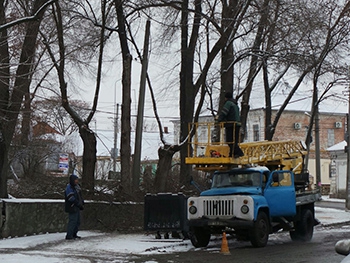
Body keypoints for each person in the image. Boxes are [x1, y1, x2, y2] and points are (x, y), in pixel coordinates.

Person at [217, 91, 244, 158]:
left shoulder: (228, 103)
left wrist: (219, 120)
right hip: (237, 124)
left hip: (231, 125)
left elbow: (224, 113)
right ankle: (233, 153)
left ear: (226, 98)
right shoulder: (235, 105)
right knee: (234, 141)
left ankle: (239, 152)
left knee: (230, 141)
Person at [64, 174, 84, 240]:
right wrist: (77, 203)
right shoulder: (69, 187)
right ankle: (69, 235)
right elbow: (71, 198)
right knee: (73, 221)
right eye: (76, 180)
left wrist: (81, 202)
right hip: (72, 206)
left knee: (77, 221)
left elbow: (79, 195)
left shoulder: (77, 187)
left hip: (77, 206)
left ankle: (74, 234)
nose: (77, 181)